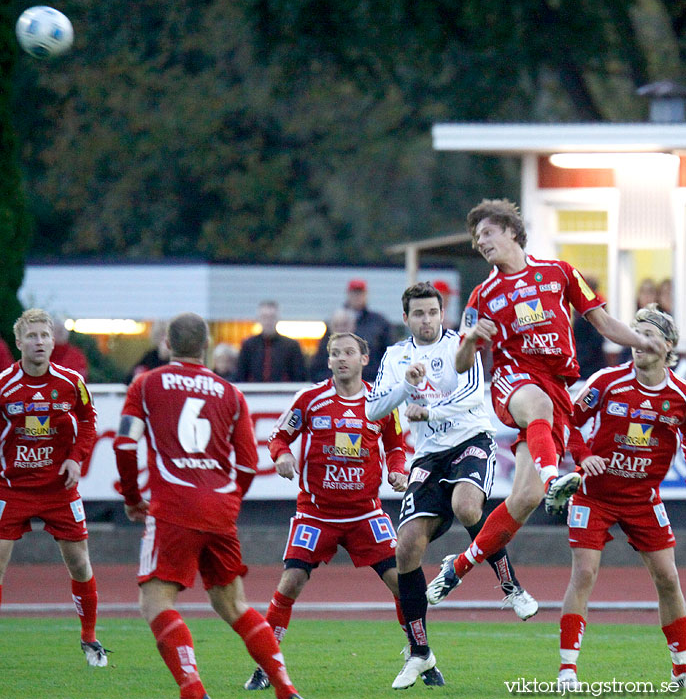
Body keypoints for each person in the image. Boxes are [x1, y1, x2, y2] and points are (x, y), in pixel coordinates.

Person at [425, 198, 664, 607]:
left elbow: (603, 322)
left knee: (524, 499)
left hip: (556, 388)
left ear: (512, 232)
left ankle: (458, 566)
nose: (481, 242)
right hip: (513, 383)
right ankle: (555, 478)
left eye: (487, 233)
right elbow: (461, 366)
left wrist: (642, 340)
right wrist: (469, 339)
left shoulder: (558, 273)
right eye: (476, 238)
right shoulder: (482, 296)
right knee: (535, 406)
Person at [113, 312, 303, 699]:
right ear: (207, 345)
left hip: (172, 507)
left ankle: (193, 691)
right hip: (219, 510)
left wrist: (133, 499)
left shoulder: (146, 384)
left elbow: (124, 444)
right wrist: (230, 502)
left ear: (167, 342)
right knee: (233, 604)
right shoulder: (230, 393)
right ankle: (285, 687)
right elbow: (249, 463)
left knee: (154, 602)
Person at [366, 282, 538, 690]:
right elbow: (374, 408)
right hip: (427, 457)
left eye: (433, 312)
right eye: (418, 314)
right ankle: (420, 653)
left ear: (442, 314)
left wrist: (427, 408)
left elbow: (470, 391)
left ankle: (511, 587)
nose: (427, 320)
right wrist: (406, 386)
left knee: (467, 507)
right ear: (405, 318)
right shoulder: (395, 356)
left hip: (470, 440)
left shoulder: (461, 344)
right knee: (405, 548)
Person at [244, 331, 416, 691]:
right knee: (290, 582)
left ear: (364, 359)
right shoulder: (310, 399)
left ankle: (420, 654)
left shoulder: (380, 401)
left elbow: (397, 444)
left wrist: (398, 470)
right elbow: (278, 436)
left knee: (402, 582)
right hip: (316, 512)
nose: (341, 359)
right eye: (334, 353)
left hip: (366, 513)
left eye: (349, 352)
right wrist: (283, 455)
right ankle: (266, 667)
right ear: (328, 361)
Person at [558, 304, 686, 689]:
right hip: (594, 495)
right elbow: (568, 421)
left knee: (668, 578)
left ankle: (681, 667)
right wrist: (584, 457)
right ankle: (567, 670)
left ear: (668, 345)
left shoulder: (680, 397)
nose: (638, 343)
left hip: (644, 499)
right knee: (585, 572)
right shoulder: (607, 381)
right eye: (634, 335)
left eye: (647, 336)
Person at [0, 309, 106, 666]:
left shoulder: (70, 381)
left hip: (59, 490)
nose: (40, 342)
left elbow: (89, 420)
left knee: (79, 563)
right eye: (31, 336)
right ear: (19, 343)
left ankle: (90, 639)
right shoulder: (4, 385)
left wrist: (76, 457)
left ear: (52, 340)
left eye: (44, 335)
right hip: (11, 488)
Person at [235, 301, 307, 383]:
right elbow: (241, 375)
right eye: (265, 317)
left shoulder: (291, 346)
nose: (268, 321)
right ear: (258, 319)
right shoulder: (248, 345)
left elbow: (299, 377)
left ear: (278, 319)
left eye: (272, 317)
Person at [344, 279, 393, 382]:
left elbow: (390, 355)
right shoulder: (337, 321)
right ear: (348, 294)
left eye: (360, 293)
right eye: (354, 293)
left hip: (371, 382)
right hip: (341, 385)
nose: (357, 297)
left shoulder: (380, 323)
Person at [308, 307, 356, 382]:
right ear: (331, 328)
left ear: (353, 326)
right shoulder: (323, 349)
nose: (341, 329)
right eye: (336, 325)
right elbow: (316, 373)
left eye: (344, 325)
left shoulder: (362, 348)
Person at [572, 276, 607, 379]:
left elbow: (593, 343)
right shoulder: (597, 307)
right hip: (590, 362)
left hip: (588, 365)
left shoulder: (588, 312)